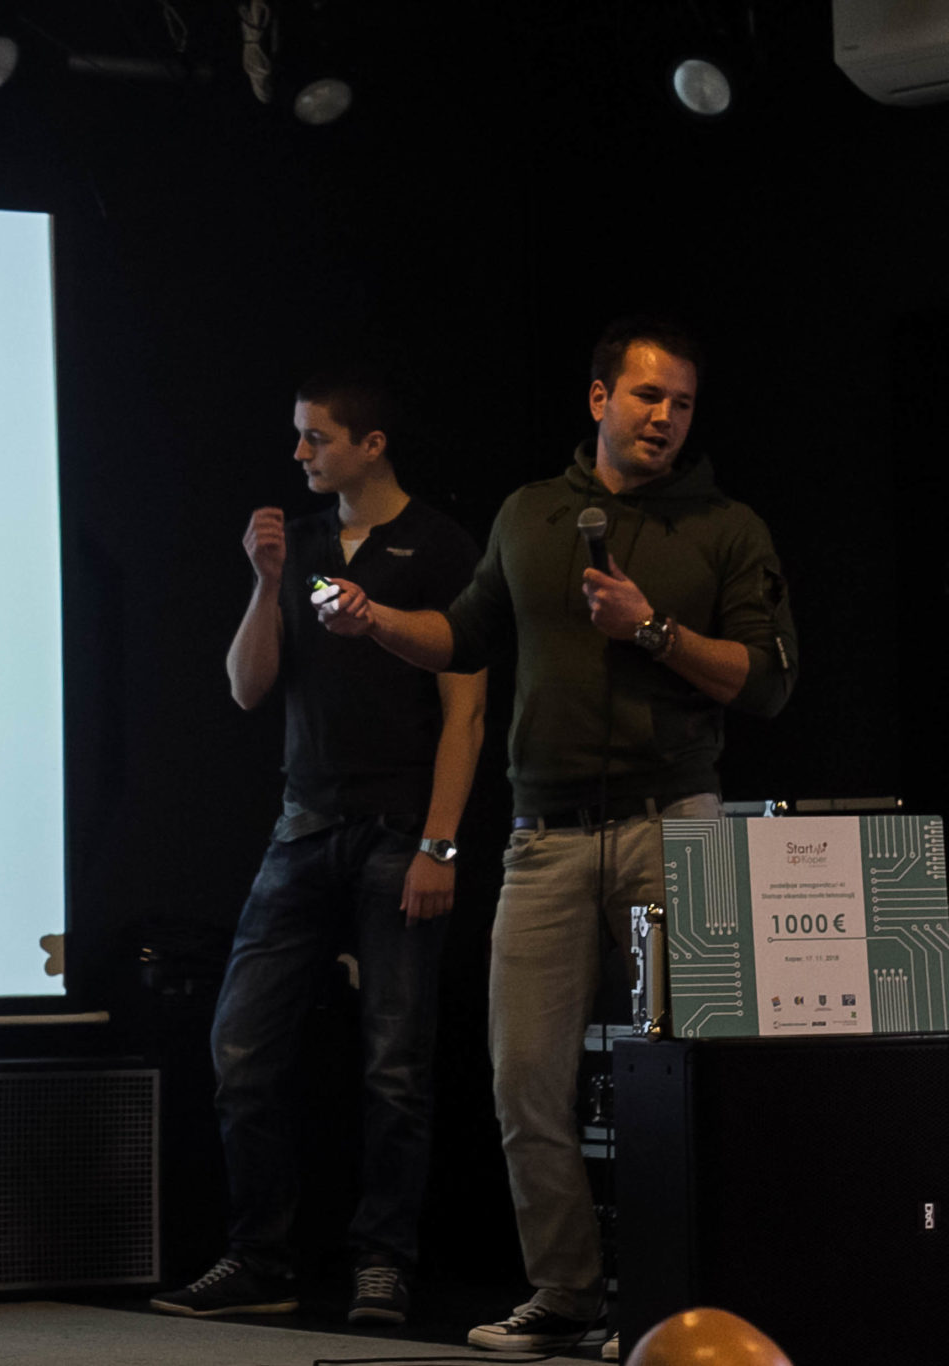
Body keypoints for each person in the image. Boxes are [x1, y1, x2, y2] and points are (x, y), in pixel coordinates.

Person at [315, 319, 799, 1353]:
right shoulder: (530, 515)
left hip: (675, 826)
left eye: (680, 403)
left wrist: (651, 629)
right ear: (598, 400)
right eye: (646, 396)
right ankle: (566, 1294)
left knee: (685, 1078)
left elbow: (764, 682)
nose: (664, 417)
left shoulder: (724, 526)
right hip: (543, 838)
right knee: (523, 1076)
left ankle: (675, 1304)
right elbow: (461, 634)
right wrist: (374, 620)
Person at [152, 369, 486, 1326]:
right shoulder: (296, 544)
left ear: (371, 445)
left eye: (317, 437)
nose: (299, 453)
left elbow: (466, 711)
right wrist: (266, 582)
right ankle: (260, 1258)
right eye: (298, 436)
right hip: (301, 828)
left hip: (398, 834)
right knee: (240, 1047)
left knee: (395, 1066)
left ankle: (384, 1262)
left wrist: (441, 847)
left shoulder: (439, 545)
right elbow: (246, 687)